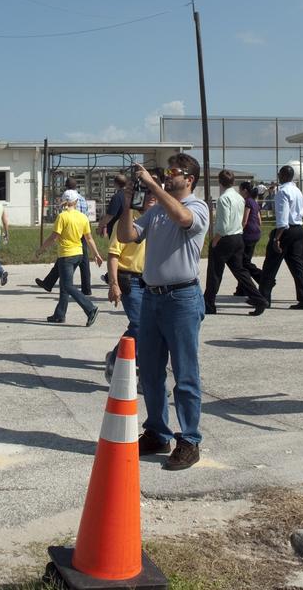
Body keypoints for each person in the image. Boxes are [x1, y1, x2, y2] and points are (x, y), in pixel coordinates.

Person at [118, 153, 210, 471]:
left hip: (181, 299)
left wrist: (154, 188)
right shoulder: (156, 213)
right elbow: (126, 236)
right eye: (167, 172)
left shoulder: (197, 207)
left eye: (175, 172)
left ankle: (190, 439)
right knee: (152, 372)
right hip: (152, 298)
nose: (168, 176)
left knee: (185, 374)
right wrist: (128, 200)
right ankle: (157, 432)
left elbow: (183, 219)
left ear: (190, 179)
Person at [104, 190, 156, 380]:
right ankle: (143, 374)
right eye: (148, 193)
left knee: (145, 327)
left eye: (156, 192)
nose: (152, 197)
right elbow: (113, 255)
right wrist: (114, 284)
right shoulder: (126, 221)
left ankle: (116, 356)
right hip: (130, 280)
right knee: (140, 325)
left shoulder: (158, 218)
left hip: (151, 280)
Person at [203, 170, 268, 315]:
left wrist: (215, 240)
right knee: (241, 272)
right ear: (233, 182)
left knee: (214, 272)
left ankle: (209, 304)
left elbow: (223, 225)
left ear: (219, 182)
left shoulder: (223, 199)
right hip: (238, 237)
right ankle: (259, 299)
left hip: (225, 238)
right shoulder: (240, 198)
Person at [36, 197, 104, 324]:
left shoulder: (62, 216)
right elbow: (89, 238)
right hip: (79, 254)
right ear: (76, 202)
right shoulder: (83, 217)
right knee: (64, 285)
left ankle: (90, 309)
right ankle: (59, 315)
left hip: (66, 255)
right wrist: (96, 254)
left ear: (64, 202)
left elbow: (54, 237)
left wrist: (41, 249)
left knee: (67, 285)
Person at [255, 164, 303, 312]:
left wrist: (277, 238)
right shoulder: (297, 191)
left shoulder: (283, 192)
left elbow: (282, 217)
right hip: (298, 229)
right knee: (297, 266)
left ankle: (264, 298)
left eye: (279, 174)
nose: (278, 176)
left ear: (283, 175)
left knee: (270, 265)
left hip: (285, 231)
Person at [35, 178, 93, 296]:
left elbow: (63, 213)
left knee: (64, 258)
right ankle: (86, 288)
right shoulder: (82, 199)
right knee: (84, 261)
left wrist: (42, 249)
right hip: (82, 229)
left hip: (69, 231)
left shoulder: (67, 198)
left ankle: (51, 283)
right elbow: (86, 215)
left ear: (66, 187)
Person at [235, 181, 263, 297]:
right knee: (244, 262)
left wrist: (238, 231)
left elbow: (244, 221)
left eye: (240, 189)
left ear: (245, 191)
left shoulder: (247, 202)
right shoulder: (255, 203)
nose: (239, 192)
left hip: (248, 235)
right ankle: (241, 289)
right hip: (256, 233)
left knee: (243, 263)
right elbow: (260, 221)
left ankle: (262, 278)